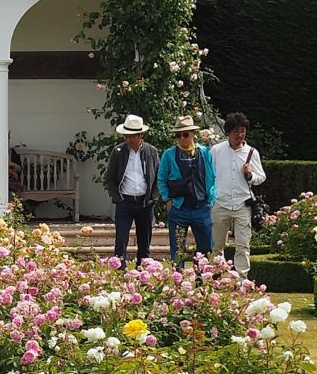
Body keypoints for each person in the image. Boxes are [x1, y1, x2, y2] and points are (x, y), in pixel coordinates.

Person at [210, 111, 266, 275]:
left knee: (242, 245)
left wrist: (250, 175)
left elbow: (261, 177)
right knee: (217, 245)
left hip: (243, 204)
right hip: (220, 203)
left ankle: (242, 281)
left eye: (242, 131)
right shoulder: (216, 150)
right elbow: (208, 175)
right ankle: (216, 278)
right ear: (228, 132)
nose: (239, 135)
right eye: (235, 131)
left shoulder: (251, 152)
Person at [157, 115, 216, 262]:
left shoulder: (204, 152)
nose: (182, 138)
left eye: (185, 134)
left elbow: (213, 177)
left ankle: (202, 279)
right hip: (179, 208)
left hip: (202, 207)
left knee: (206, 248)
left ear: (192, 134)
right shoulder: (169, 154)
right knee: (177, 250)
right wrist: (167, 199)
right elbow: (161, 179)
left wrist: (211, 199)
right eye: (178, 135)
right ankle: (178, 281)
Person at [104, 113, 158, 265]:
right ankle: (120, 271)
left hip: (144, 202)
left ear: (141, 134)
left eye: (132, 136)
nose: (129, 139)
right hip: (125, 201)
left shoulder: (151, 151)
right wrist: (117, 198)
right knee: (121, 240)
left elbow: (158, 177)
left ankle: (143, 272)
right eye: (126, 136)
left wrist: (153, 197)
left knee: (144, 241)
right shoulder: (118, 151)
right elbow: (110, 177)